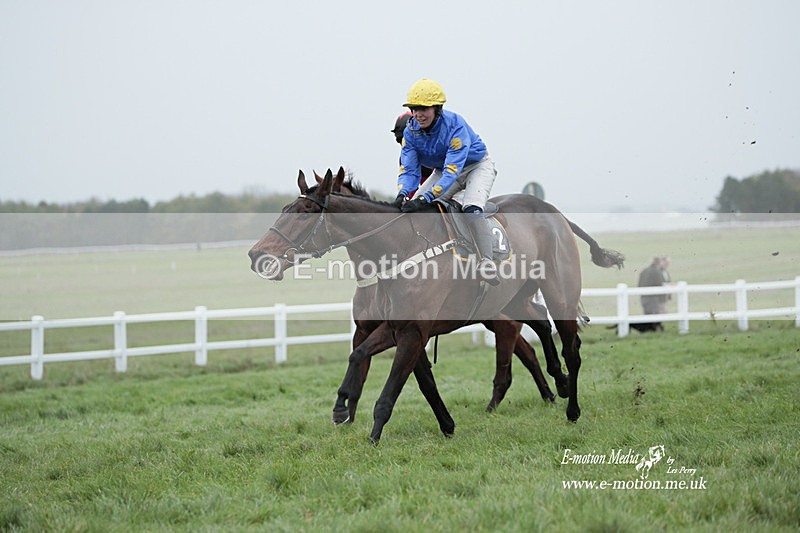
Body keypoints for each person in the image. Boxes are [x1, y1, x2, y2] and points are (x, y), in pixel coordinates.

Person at [392, 78, 499, 284]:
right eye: (415, 109)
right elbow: (408, 170)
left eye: (424, 109)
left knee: (471, 207)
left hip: (476, 167)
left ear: (437, 108)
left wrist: (425, 198)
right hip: (444, 169)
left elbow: (452, 172)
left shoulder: (455, 125)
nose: (418, 114)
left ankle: (487, 261)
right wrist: (403, 194)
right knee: (417, 210)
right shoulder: (410, 132)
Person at [636, 256, 672, 332]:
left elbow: (639, 285)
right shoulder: (657, 272)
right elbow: (660, 285)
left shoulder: (644, 271)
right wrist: (663, 300)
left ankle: (648, 330)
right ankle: (654, 330)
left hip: (644, 298)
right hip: (654, 299)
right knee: (655, 316)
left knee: (647, 315)